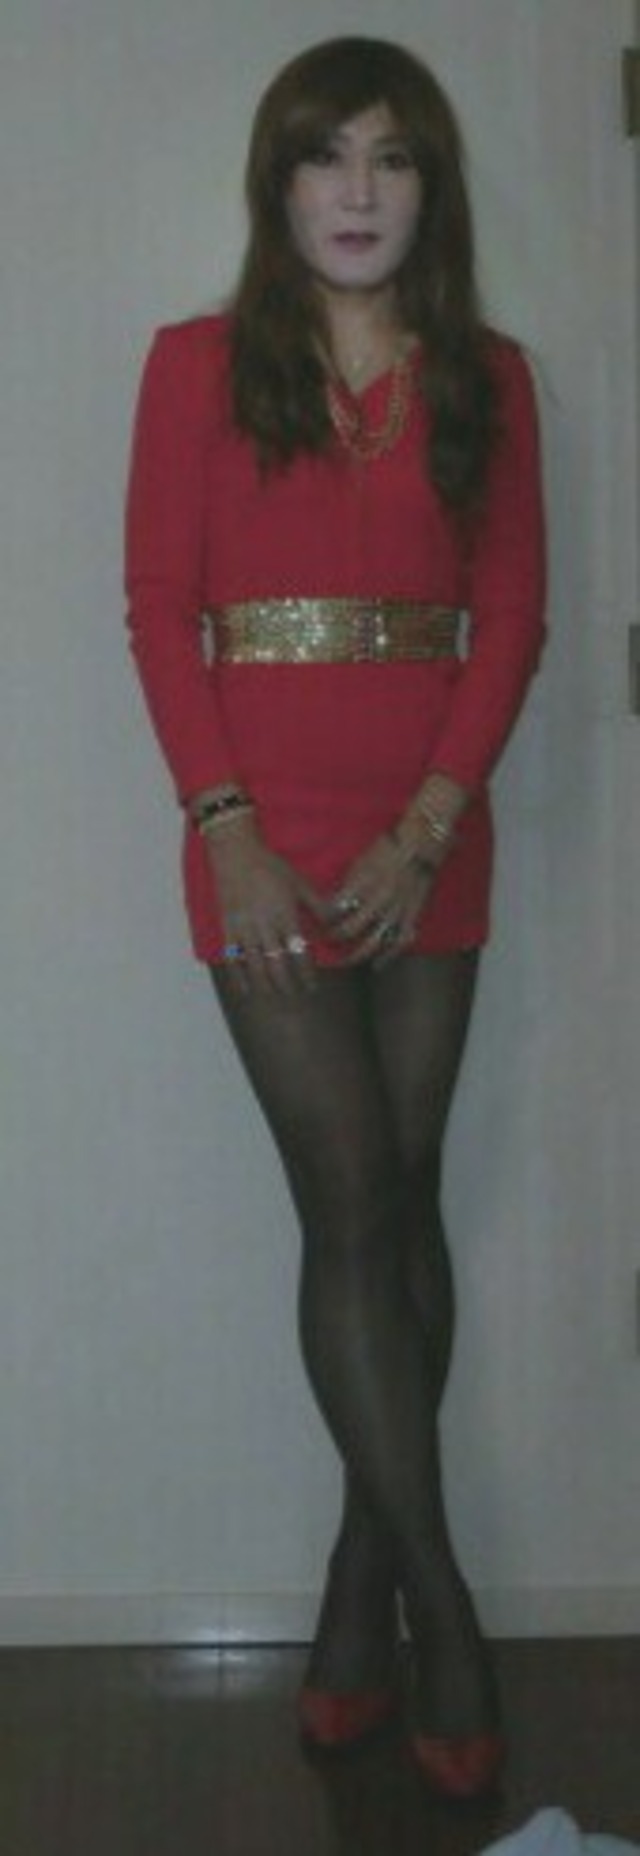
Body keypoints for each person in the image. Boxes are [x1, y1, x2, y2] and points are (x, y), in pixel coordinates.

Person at [124, 35, 546, 1801]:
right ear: (278, 185)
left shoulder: (491, 377)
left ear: (429, 190)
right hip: (262, 848)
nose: (359, 191)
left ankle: (358, 1593)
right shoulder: (197, 364)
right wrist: (223, 829)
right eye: (327, 157)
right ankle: (443, 1606)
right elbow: (158, 606)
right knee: (352, 1203)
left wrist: (434, 820)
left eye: (392, 158)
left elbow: (513, 612)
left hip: (430, 840)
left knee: (407, 1199)